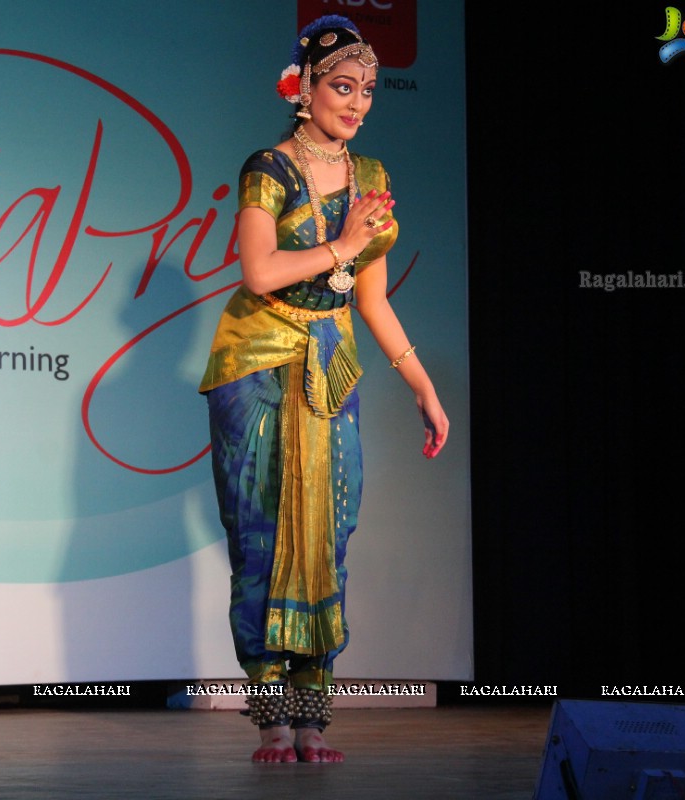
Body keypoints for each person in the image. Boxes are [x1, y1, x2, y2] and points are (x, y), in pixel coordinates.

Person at [199, 14, 449, 764]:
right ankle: (272, 717)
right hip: (259, 360)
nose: (359, 102)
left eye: (368, 89)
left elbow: (370, 298)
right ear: (301, 89)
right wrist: (339, 244)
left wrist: (423, 388)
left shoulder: (371, 179)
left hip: (331, 363)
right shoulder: (266, 170)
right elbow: (258, 272)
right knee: (265, 539)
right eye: (343, 86)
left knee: (330, 537)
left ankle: (313, 718)